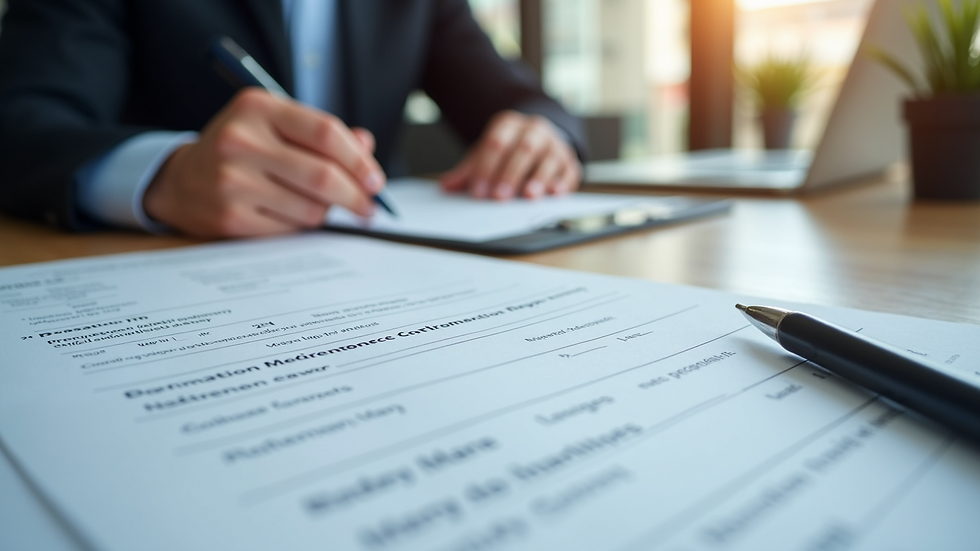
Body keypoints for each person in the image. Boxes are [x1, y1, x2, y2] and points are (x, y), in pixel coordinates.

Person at [0, 0, 586, 237]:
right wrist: (163, 174)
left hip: (382, 261)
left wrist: (542, 133)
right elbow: (20, 118)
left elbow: (523, 99)